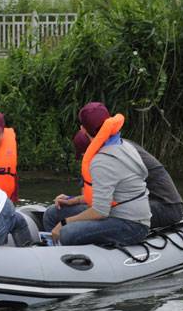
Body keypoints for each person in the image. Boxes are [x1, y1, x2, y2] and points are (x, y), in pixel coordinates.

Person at [44, 102, 151, 246]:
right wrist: (73, 200)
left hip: (131, 225)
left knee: (67, 231)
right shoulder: (121, 144)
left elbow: (100, 212)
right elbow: (106, 196)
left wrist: (64, 223)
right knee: (52, 213)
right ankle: (53, 249)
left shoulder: (101, 161)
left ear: (83, 129)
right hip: (115, 211)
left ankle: (65, 254)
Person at [59, 132, 183, 228]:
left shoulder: (107, 157)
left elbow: (97, 207)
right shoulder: (117, 145)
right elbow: (92, 198)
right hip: (147, 203)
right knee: (61, 212)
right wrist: (70, 200)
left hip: (165, 206)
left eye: (82, 155)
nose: (83, 159)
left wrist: (66, 222)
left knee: (99, 214)